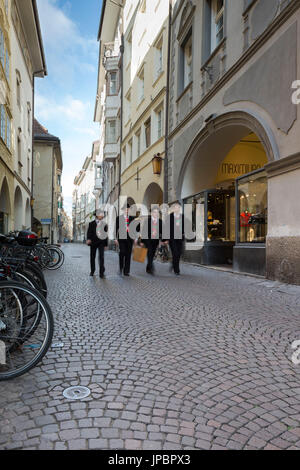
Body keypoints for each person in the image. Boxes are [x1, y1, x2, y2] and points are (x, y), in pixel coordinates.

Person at [141, 205, 165, 275]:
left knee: (152, 253)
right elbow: (144, 231)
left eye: (157, 212)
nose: (156, 213)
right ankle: (151, 267)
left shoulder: (160, 222)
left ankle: (148, 267)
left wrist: (164, 240)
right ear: (151, 213)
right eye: (154, 212)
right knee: (150, 252)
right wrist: (142, 241)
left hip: (155, 241)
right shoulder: (147, 221)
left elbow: (163, 231)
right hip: (148, 240)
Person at [115, 204, 138, 276]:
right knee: (122, 252)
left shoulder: (132, 218)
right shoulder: (119, 218)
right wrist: (115, 238)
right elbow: (116, 229)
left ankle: (126, 271)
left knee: (128, 255)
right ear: (123, 210)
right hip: (121, 238)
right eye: (125, 209)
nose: (127, 210)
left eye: (128, 209)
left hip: (130, 239)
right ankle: (121, 267)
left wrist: (136, 238)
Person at [164, 202, 185, 275]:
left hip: (179, 238)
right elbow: (166, 228)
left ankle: (173, 264)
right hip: (172, 238)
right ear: (173, 208)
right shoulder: (169, 217)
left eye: (178, 207)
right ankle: (177, 270)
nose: (177, 208)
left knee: (179, 254)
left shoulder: (182, 216)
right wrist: (165, 239)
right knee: (175, 253)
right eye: (176, 207)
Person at [86, 210, 108, 278]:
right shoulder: (91, 223)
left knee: (101, 257)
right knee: (92, 257)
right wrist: (88, 239)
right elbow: (89, 232)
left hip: (101, 242)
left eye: (102, 214)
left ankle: (101, 273)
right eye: (101, 214)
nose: (102, 215)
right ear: (97, 215)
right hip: (93, 242)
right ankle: (92, 271)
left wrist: (106, 244)